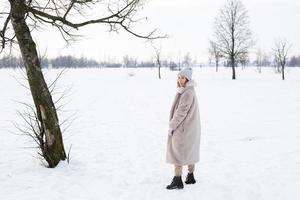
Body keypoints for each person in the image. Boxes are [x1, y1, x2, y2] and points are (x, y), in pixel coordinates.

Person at [166, 67, 201, 190]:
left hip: (183, 129)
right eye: (179, 77)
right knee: (190, 151)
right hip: (190, 128)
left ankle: (177, 180)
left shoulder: (187, 93)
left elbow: (181, 112)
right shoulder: (187, 91)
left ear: (188, 79)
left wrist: (172, 126)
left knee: (178, 153)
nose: (180, 80)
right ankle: (190, 176)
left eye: (183, 78)